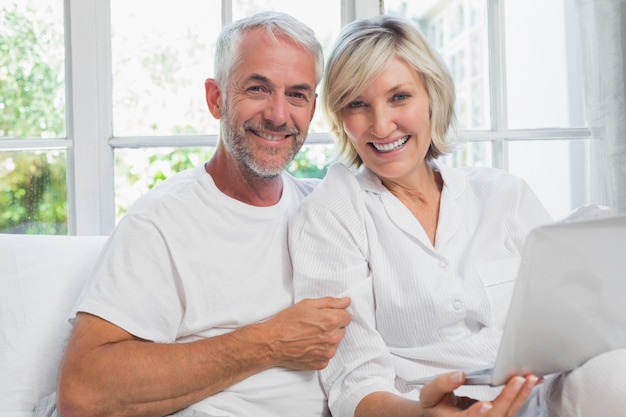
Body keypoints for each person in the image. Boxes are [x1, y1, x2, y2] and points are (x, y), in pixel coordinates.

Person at [288, 14, 626, 417]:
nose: (381, 125)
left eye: (399, 97)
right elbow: (354, 382)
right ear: (341, 117)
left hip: (543, 397)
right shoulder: (332, 212)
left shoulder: (503, 194)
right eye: (357, 104)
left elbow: (573, 320)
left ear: (433, 94)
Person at [54, 11, 353, 417]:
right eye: (258, 88)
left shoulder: (327, 211)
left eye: (297, 94)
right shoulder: (161, 221)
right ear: (216, 98)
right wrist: (270, 341)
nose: (279, 115)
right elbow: (82, 392)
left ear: (313, 107)